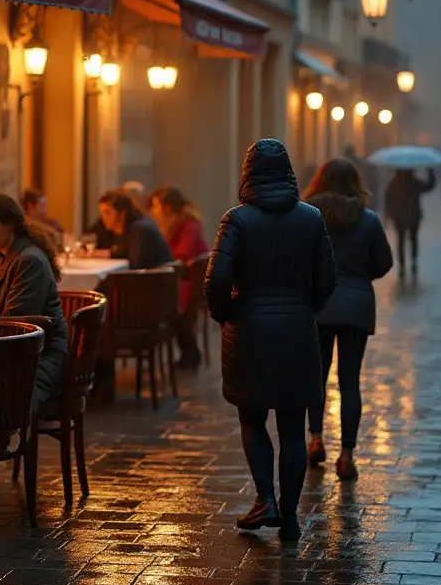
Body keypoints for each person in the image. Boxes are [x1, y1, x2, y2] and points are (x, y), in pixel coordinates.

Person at [206, 139, 336, 542]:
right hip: (298, 329)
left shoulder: (237, 220)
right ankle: (292, 517)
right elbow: (328, 280)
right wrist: (303, 307)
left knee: (252, 416)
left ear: (248, 174)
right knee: (294, 425)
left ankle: (265, 499)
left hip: (249, 331)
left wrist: (225, 313)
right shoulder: (311, 219)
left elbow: (217, 280)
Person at [302, 158, 393, 481]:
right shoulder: (367, 219)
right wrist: (359, 276)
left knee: (317, 375)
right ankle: (347, 455)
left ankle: (315, 439)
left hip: (318, 305)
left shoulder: (308, 216)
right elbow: (384, 262)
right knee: (349, 381)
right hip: (356, 307)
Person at [0, 193, 69, 408]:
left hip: (41, 356)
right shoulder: (3, 255)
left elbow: (14, 326)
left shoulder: (29, 260)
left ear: (10, 225)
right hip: (22, 351)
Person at [148, 186, 209, 368]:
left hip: (189, 283)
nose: (153, 211)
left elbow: (183, 254)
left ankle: (188, 352)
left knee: (157, 300)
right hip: (185, 280)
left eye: (156, 206)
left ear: (167, 207)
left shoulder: (188, 225)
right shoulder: (177, 224)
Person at [98, 189, 174, 270]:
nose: (103, 218)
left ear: (122, 213)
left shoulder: (139, 229)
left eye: (107, 212)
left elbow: (137, 266)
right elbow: (122, 253)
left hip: (156, 280)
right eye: (101, 213)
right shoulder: (127, 229)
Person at [383, 168, 436, 278]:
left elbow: (387, 199)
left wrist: (387, 214)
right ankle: (414, 261)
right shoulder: (415, 183)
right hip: (413, 216)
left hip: (399, 216)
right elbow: (429, 186)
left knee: (401, 241)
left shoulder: (394, 184)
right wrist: (431, 172)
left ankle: (402, 266)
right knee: (413, 239)